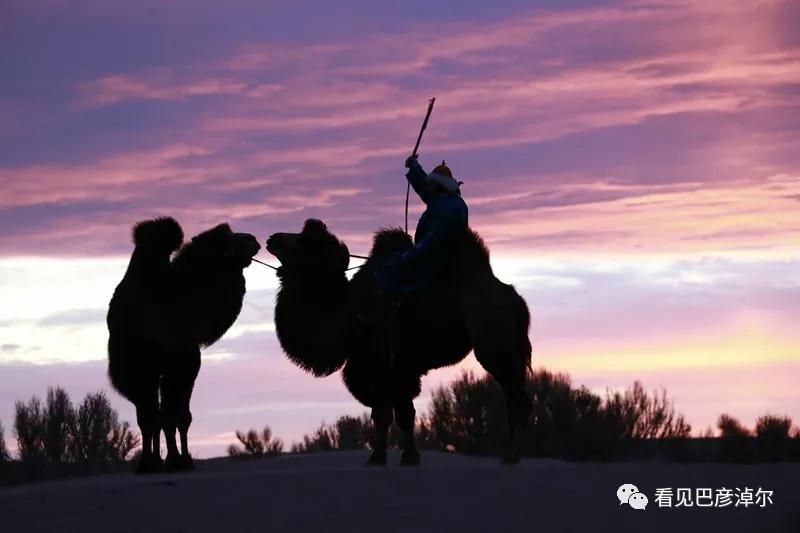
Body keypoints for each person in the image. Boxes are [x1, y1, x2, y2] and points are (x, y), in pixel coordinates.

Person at [362, 155, 469, 364]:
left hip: (435, 262)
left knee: (389, 274)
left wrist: (405, 258)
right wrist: (414, 166)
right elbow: (423, 187)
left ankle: (385, 327)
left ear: (438, 186)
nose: (428, 187)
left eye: (431, 184)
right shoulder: (445, 201)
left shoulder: (445, 208)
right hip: (435, 257)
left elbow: (431, 244)